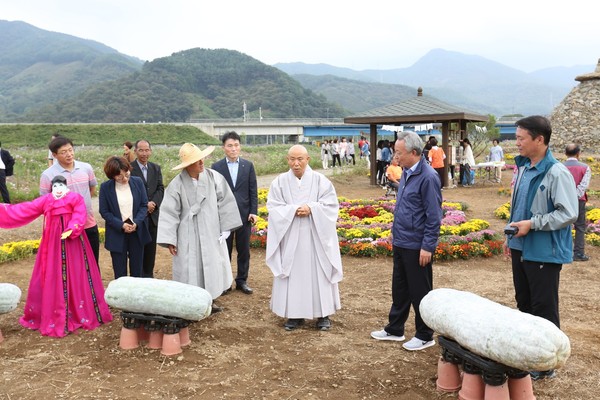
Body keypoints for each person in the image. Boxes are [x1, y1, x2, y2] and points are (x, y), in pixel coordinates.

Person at [504, 115, 578, 380]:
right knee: (524, 303)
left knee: (543, 307)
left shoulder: (557, 172)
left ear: (539, 139)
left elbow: (568, 213)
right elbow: (518, 207)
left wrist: (532, 225)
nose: (517, 143)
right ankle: (529, 358)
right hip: (521, 247)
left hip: (543, 250)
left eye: (521, 138)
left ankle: (546, 365)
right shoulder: (523, 167)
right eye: (517, 137)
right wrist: (510, 238)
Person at [0, 175, 113, 337]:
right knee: (53, 273)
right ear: (51, 187)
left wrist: (72, 228)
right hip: (52, 243)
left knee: (76, 273)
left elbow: (80, 214)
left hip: (73, 242)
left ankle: (78, 311)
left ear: (66, 186)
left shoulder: (75, 198)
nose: (58, 188)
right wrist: (3, 209)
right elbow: (26, 208)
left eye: (61, 185)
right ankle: (53, 313)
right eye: (55, 185)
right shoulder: (46, 200)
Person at [371, 131, 442, 351]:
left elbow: (434, 216)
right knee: (399, 287)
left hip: (417, 245)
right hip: (402, 241)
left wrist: (427, 246)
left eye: (399, 152)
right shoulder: (406, 173)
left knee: (420, 290)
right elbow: (404, 208)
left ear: (414, 152)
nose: (396, 156)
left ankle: (424, 333)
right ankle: (395, 328)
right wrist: (394, 232)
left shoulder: (428, 177)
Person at [266, 144, 343, 331]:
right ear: (287, 160)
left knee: (320, 273)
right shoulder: (279, 182)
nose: (296, 163)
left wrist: (312, 208)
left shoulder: (320, 181)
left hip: (316, 238)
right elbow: (273, 207)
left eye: (300, 159)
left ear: (308, 159)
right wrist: (292, 210)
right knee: (293, 274)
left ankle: (323, 315)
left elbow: (331, 205)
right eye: (292, 159)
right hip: (290, 236)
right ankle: (295, 314)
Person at [157, 143, 242, 311]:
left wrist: (226, 228)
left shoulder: (214, 177)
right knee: (189, 267)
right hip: (186, 233)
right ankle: (190, 303)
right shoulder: (177, 184)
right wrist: (170, 240)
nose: (202, 163)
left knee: (212, 265)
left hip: (211, 229)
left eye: (201, 159)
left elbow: (225, 201)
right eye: (197, 161)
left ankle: (210, 300)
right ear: (188, 165)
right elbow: (169, 212)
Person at [40, 136, 101, 266]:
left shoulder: (86, 168)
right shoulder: (48, 175)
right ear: (55, 155)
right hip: (64, 228)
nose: (69, 154)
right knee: (70, 265)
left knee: (92, 262)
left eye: (70, 150)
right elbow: (45, 201)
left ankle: (93, 287)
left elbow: (91, 189)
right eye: (63, 152)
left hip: (88, 223)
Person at [211, 131, 258, 295]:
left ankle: (242, 281)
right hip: (224, 216)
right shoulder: (216, 167)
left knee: (244, 250)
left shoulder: (248, 165)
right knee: (225, 250)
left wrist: (254, 211)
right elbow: (213, 192)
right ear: (223, 147)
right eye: (230, 145)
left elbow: (253, 190)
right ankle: (225, 282)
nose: (233, 148)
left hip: (244, 215)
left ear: (240, 146)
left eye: (236, 145)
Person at [99, 156, 152, 279]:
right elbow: (104, 211)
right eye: (119, 176)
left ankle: (136, 296)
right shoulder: (106, 188)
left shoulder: (137, 182)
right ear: (112, 176)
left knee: (137, 271)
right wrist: (121, 224)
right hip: (117, 233)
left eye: (126, 174)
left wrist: (136, 222)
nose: (124, 178)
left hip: (137, 232)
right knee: (119, 272)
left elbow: (144, 205)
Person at [130, 139, 164, 278]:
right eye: (141, 150)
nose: (144, 153)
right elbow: (129, 191)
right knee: (137, 249)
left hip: (153, 215)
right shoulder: (130, 168)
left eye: (146, 150)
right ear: (135, 151)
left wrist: (154, 203)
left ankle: (149, 276)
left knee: (151, 249)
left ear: (150, 151)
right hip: (137, 216)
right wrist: (145, 205)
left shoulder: (155, 168)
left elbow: (160, 188)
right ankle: (137, 276)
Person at [563, 143, 591, 262]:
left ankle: (564, 251)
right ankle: (578, 253)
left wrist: (567, 196)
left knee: (563, 225)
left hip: (562, 200)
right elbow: (583, 185)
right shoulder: (585, 167)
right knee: (579, 226)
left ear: (565, 153)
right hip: (579, 200)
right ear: (578, 153)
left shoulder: (559, 166)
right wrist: (575, 196)